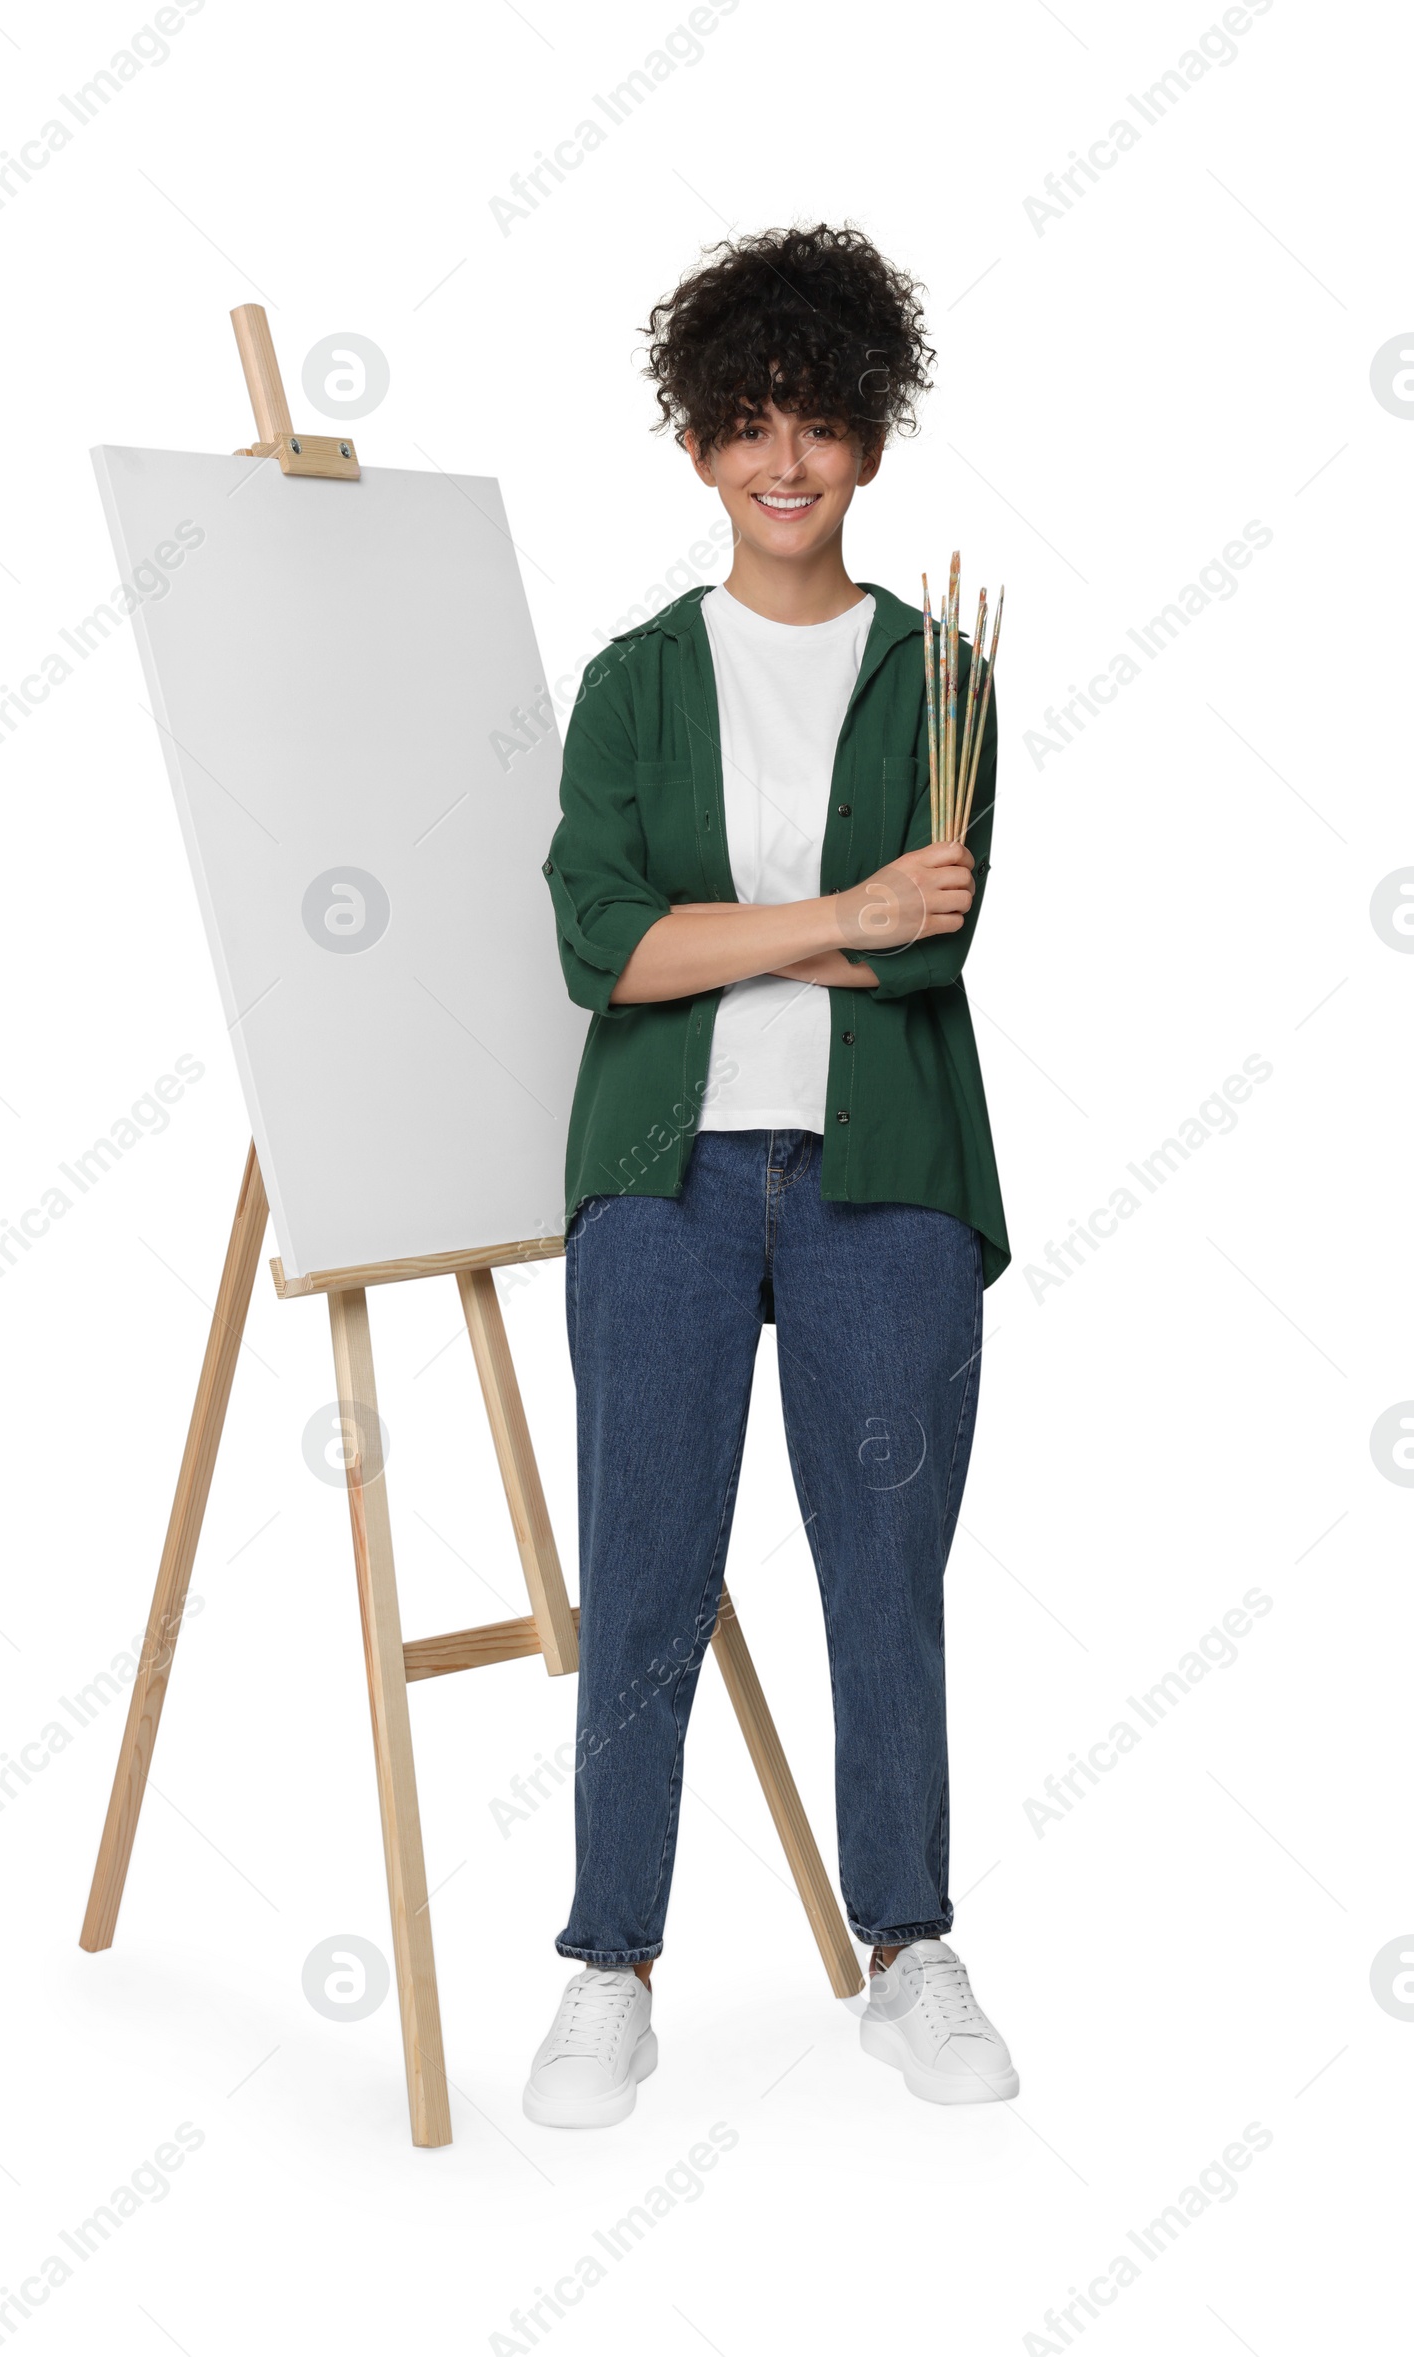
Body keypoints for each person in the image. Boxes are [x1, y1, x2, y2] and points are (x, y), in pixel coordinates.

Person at [525, 224, 1016, 2128]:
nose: (784, 458)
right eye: (746, 422)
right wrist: (826, 914)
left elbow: (930, 949)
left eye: (818, 419)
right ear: (698, 443)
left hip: (885, 1175)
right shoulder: (636, 678)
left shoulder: (942, 675)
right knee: (642, 1570)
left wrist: (718, 930)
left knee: (881, 1571)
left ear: (871, 438)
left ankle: (909, 1946)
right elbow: (598, 950)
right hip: (661, 1174)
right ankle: (607, 1962)